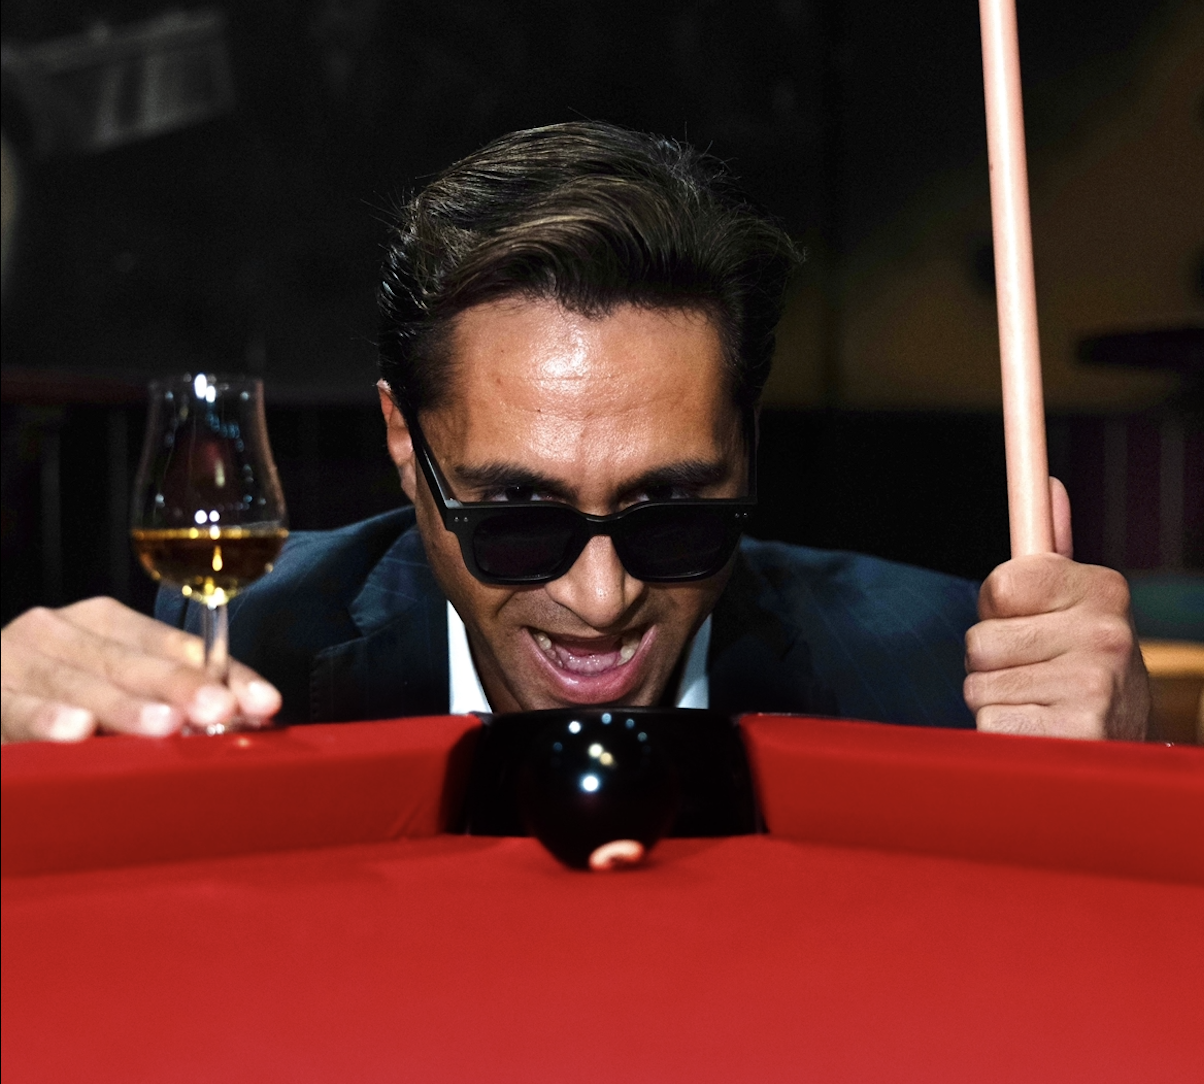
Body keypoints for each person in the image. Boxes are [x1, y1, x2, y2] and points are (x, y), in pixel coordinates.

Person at [1, 122, 1149, 746]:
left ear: (744, 445)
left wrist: (1118, 793)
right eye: (517, 517)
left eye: (672, 515)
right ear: (404, 439)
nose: (601, 600)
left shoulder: (945, 670)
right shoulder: (245, 649)